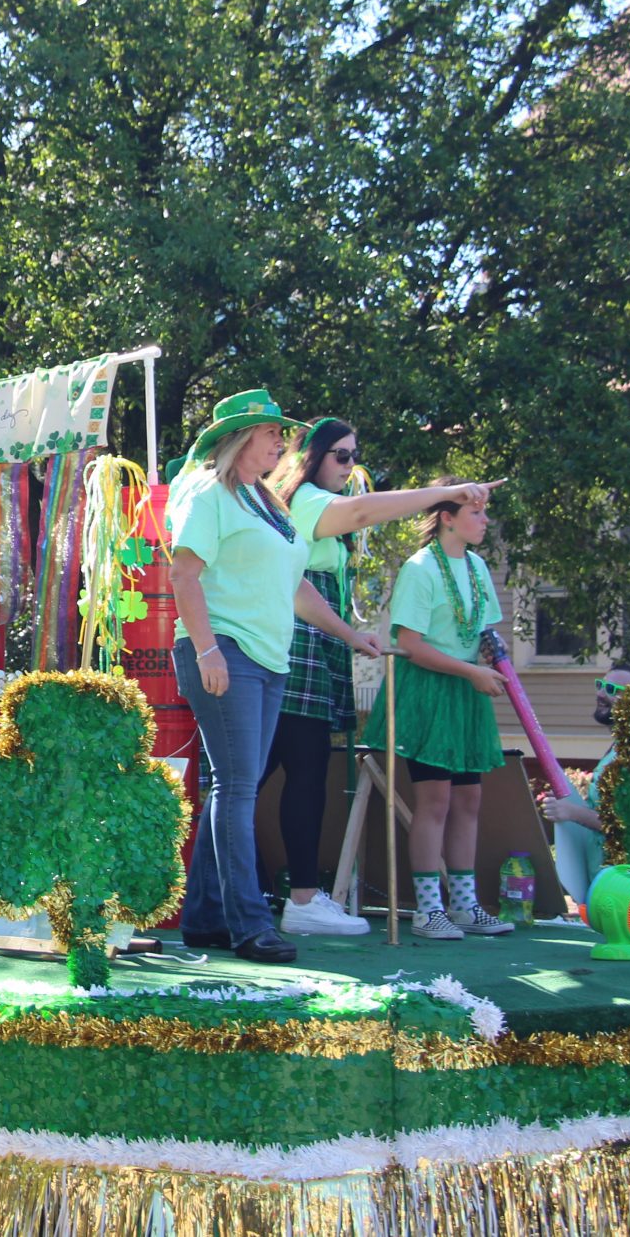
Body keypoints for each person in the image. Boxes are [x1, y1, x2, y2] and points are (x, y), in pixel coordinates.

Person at [167, 390, 383, 965]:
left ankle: (207, 917)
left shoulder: (269, 503)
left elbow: (296, 588)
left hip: (269, 658)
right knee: (238, 788)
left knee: (229, 788)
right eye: (269, 433)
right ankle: (250, 923)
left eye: (281, 435)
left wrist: (350, 635)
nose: (280, 443)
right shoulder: (209, 493)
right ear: (238, 439)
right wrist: (209, 651)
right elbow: (184, 576)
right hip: (225, 652)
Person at [266, 417, 505, 936]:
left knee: (298, 773)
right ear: (311, 456)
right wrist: (440, 493)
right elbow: (361, 512)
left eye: (355, 456)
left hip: (323, 641)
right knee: (261, 778)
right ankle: (297, 898)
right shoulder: (305, 499)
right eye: (342, 456)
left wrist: (351, 636)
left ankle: (296, 895)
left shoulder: (477, 567)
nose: (351, 467)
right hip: (296, 644)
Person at [361, 478, 514, 939]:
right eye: (476, 513)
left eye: (485, 513)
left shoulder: (477, 567)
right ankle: (429, 911)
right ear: (447, 516)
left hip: (466, 693)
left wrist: (491, 652)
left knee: (470, 798)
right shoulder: (420, 568)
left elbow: (481, 629)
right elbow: (409, 645)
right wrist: (471, 672)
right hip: (430, 692)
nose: (485, 522)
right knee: (436, 800)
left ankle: (465, 906)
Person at [539, 663, 630, 907]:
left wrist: (572, 812)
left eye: (613, 689)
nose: (601, 693)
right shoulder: (620, 746)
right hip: (606, 886)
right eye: (600, 685)